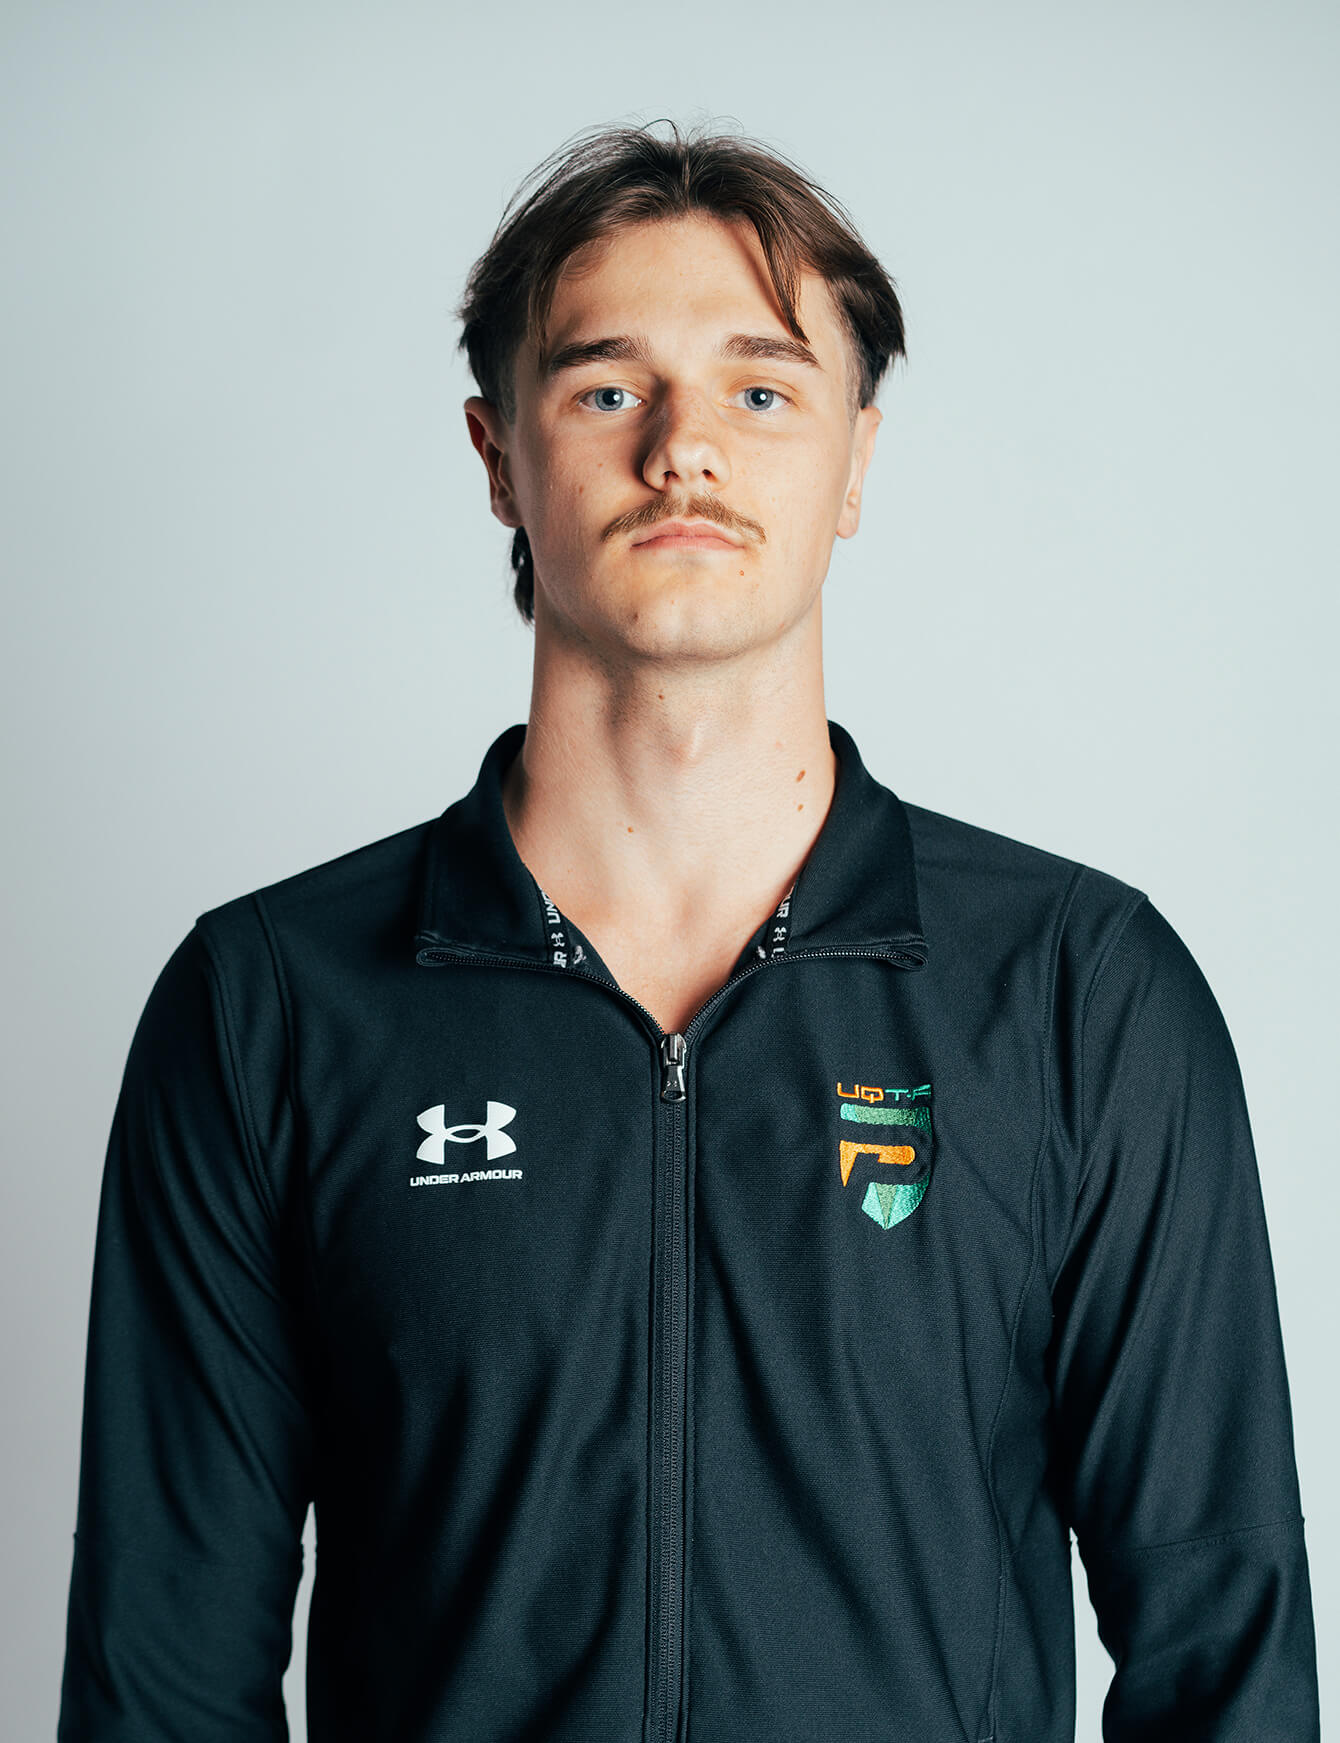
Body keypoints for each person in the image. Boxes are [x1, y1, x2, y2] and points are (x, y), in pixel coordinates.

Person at [58, 121, 1320, 1741]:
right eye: (605, 391)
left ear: (856, 461)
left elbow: (1225, 1647)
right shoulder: (271, 1009)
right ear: (496, 456)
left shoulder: (1080, 995)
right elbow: (162, 1672)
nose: (684, 451)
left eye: (762, 390)